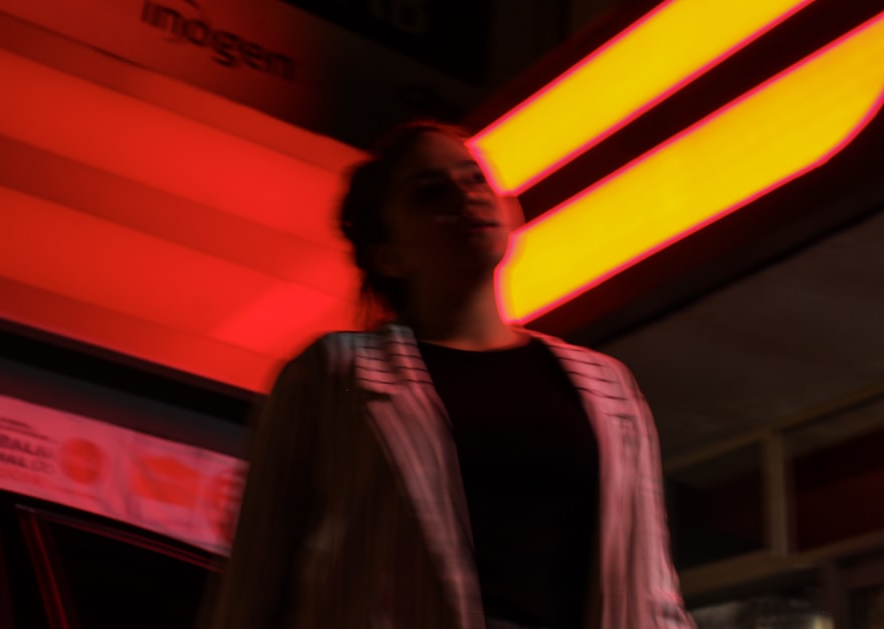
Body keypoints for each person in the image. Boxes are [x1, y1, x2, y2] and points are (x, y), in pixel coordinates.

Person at [205, 121, 694, 629]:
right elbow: (258, 571)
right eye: (429, 192)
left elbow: (651, 587)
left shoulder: (607, 386)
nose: (465, 196)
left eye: (475, 179)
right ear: (386, 255)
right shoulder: (336, 374)